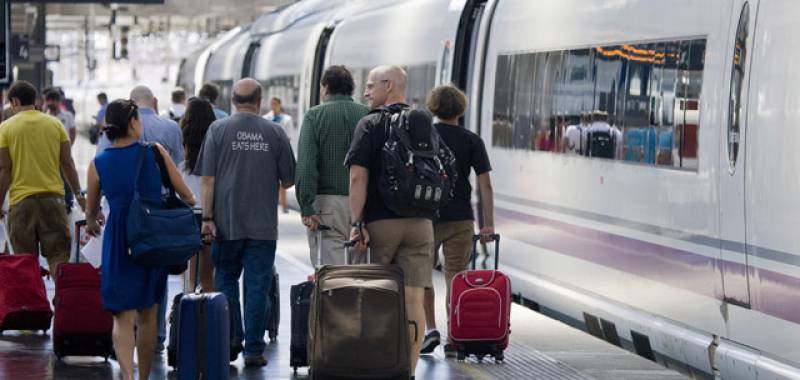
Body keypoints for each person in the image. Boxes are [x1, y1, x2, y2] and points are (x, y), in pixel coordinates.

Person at [85, 99, 196, 380]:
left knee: (122, 316)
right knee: (148, 312)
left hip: (118, 238)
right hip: (149, 236)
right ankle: (144, 376)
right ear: (133, 123)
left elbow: (91, 214)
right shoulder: (155, 153)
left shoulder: (98, 163)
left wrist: (92, 220)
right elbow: (186, 194)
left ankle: (127, 375)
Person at [195, 78, 295, 366]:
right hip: (263, 227)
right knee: (257, 286)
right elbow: (288, 179)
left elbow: (207, 179)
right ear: (260, 101)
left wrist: (208, 219)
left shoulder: (217, 129)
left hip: (226, 224)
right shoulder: (275, 132)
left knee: (225, 278)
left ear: (234, 101)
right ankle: (253, 349)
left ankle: (230, 339)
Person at [344, 65, 431, 376]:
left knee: (377, 298)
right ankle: (408, 370)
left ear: (389, 85)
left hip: (382, 224)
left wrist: (356, 222)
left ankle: (379, 367)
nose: (365, 93)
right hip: (421, 224)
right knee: (413, 301)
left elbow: (357, 176)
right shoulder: (423, 121)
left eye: (370, 86)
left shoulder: (370, 124)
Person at [97, 85, 185, 353]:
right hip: (156, 219)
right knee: (153, 280)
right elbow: (178, 172)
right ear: (154, 102)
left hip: (120, 219)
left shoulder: (109, 137)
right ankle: (156, 336)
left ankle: (126, 342)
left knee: (123, 279)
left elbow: (102, 168)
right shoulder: (169, 129)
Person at [418, 85, 495, 356]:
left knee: (423, 275)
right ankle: (455, 337)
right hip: (461, 219)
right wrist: (488, 224)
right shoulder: (473, 140)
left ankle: (430, 329)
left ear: (433, 108)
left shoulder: (423, 137)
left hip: (427, 217)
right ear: (461, 109)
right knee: (457, 278)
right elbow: (485, 186)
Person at [0, 80, 85, 272]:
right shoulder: (55, 125)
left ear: (14, 102)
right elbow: (68, 164)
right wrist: (79, 197)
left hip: (21, 204)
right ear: (35, 100)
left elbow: (5, 170)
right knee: (58, 257)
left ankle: (32, 302)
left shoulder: (5, 128)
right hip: (53, 201)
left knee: (25, 262)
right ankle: (63, 300)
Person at [296, 66, 369, 265]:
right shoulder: (368, 114)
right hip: (363, 203)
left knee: (331, 275)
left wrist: (306, 205)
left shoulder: (314, 116)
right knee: (360, 273)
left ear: (325, 87)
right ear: (351, 88)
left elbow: (306, 163)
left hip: (326, 205)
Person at [180, 97, 216, 291]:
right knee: (208, 276)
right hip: (210, 212)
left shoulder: (183, 138)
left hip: (188, 212)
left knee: (189, 276)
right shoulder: (216, 139)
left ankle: (185, 311)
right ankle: (212, 315)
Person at [263, 97, 294, 213]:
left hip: (282, 152)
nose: (273, 106)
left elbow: (289, 136)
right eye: (271, 104)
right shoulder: (266, 118)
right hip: (269, 153)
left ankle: (284, 205)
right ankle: (273, 203)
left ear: (280, 105)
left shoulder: (287, 119)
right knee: (271, 179)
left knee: (283, 180)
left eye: (275, 104)